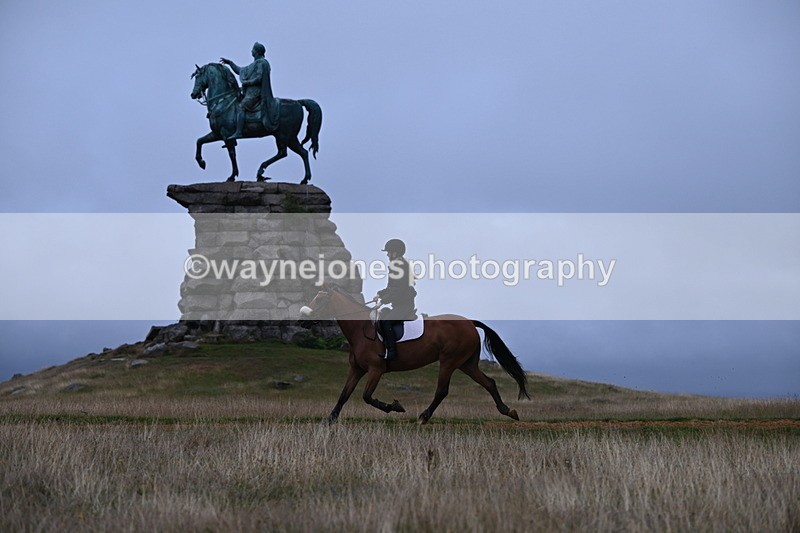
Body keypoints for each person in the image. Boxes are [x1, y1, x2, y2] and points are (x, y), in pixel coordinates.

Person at [220, 42, 280, 140]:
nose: (251, 51)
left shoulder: (262, 63)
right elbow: (240, 70)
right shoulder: (253, 64)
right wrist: (230, 63)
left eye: (253, 49)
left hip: (256, 93)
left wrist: (248, 83)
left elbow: (259, 78)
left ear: (257, 51)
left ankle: (239, 132)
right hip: (249, 93)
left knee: (241, 106)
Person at [374, 238, 417, 361]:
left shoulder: (399, 266)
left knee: (386, 322)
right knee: (381, 318)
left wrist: (382, 302)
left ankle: (392, 352)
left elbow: (397, 291)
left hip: (405, 305)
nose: (387, 254)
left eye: (389, 252)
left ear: (396, 252)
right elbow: (391, 288)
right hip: (399, 304)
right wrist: (380, 294)